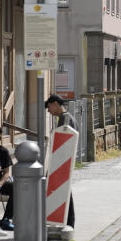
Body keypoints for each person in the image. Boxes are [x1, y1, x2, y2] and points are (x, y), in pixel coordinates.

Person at [44, 94, 76, 228]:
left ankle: (68, 222)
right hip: (62, 161)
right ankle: (66, 221)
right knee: (65, 191)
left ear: (55, 104)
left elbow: (64, 140)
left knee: (64, 192)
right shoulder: (65, 118)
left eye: (49, 107)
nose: (48, 111)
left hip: (62, 161)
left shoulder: (65, 119)